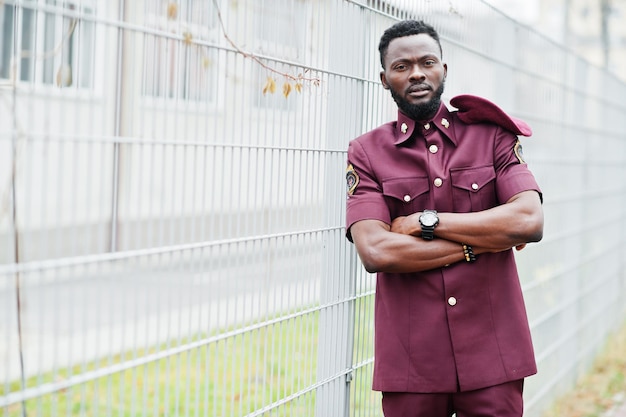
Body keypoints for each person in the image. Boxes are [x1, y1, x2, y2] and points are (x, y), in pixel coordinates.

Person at [345, 20, 544, 417]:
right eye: (401, 67)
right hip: (412, 360)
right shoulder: (367, 153)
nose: (416, 72)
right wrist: (480, 242)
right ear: (384, 79)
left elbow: (527, 221)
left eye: (427, 62)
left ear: (444, 70)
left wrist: (424, 222)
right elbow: (376, 250)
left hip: (494, 353)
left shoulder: (492, 136)